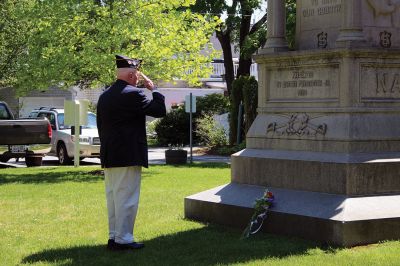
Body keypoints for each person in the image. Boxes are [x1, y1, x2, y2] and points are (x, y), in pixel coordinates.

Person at [97, 55, 166, 251]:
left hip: (110, 154)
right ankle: (124, 239)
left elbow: (101, 126)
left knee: (113, 199)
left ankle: (114, 236)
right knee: (127, 198)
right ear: (130, 74)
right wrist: (154, 89)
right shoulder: (133, 94)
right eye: (136, 75)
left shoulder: (105, 95)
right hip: (128, 154)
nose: (138, 79)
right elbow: (160, 111)